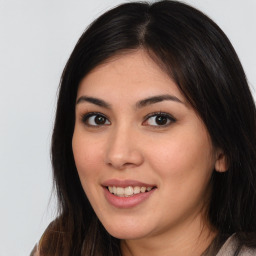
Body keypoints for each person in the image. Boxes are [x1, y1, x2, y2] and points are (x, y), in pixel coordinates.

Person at [30, 0, 256, 255]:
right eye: (97, 119)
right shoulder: (56, 247)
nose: (118, 155)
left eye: (159, 119)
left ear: (223, 148)